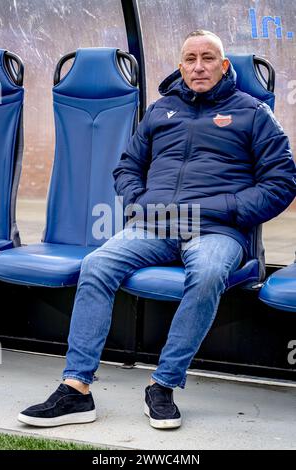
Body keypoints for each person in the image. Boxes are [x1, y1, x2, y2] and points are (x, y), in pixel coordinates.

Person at [18, 30, 296, 430]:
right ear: (180, 65)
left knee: (208, 274)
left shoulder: (253, 113)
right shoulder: (161, 110)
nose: (198, 66)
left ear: (224, 66)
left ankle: (163, 385)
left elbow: (282, 183)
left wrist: (226, 208)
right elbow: (127, 167)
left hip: (218, 230)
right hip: (156, 224)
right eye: (190, 59)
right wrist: (138, 201)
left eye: (207, 58)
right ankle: (75, 389)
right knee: (97, 265)